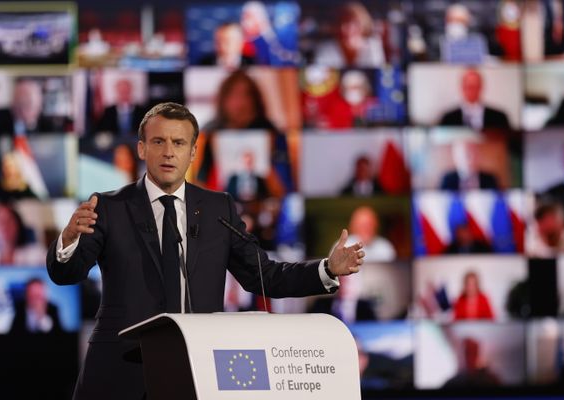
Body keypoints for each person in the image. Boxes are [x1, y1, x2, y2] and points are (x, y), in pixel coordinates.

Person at [46, 102, 365, 399]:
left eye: (179, 143)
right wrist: (69, 239)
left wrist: (327, 269)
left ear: (194, 151)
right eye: (158, 142)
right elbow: (66, 274)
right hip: (120, 369)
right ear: (142, 148)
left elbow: (263, 275)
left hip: (197, 370)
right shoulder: (110, 206)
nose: (168, 152)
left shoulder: (218, 209)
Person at [199, 70, 292, 193]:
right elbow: (201, 182)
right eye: (234, 95)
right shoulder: (210, 131)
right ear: (223, 100)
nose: (241, 103)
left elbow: (285, 186)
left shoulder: (270, 130)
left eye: (246, 95)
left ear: (255, 100)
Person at [313, 2, 385, 67]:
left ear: (362, 25)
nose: (343, 28)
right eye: (340, 22)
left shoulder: (373, 46)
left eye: (351, 23)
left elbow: (377, 72)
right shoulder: (325, 48)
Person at [438, 68, 511, 130]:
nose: (472, 90)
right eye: (469, 86)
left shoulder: (499, 118)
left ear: (481, 87)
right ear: (462, 88)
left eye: (475, 86)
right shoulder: (448, 119)